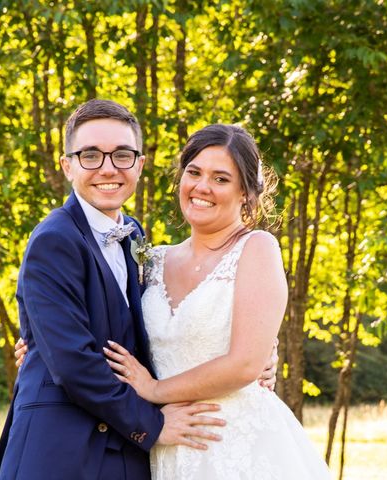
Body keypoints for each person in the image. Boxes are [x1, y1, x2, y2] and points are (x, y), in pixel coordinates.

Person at [0, 100, 235, 480]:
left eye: (122, 155)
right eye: (90, 155)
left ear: (139, 164)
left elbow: (162, 324)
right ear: (67, 164)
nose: (108, 168)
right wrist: (151, 425)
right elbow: (73, 363)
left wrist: (245, 356)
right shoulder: (53, 240)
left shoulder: (134, 235)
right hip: (62, 454)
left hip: (125, 457)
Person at [101, 124, 332, 479]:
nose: (202, 187)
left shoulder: (256, 249)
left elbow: (245, 365)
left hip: (238, 444)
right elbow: (107, 323)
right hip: (169, 445)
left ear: (245, 193)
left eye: (221, 179)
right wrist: (39, 346)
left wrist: (155, 389)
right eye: (194, 172)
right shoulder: (153, 261)